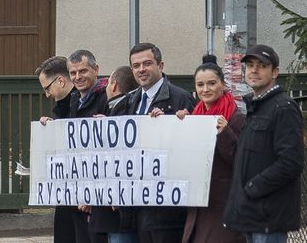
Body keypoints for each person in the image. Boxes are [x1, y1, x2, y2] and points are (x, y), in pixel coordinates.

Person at [224, 44, 304, 243]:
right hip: (252, 214)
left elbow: (291, 162)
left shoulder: (283, 108)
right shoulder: (257, 107)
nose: (254, 70)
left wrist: (253, 187)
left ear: (275, 72)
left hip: (268, 216)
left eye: (262, 65)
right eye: (250, 65)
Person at [126, 43, 195, 243]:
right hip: (140, 204)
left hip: (168, 209)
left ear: (160, 65)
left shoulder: (180, 98)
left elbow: (189, 146)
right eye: (136, 65)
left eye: (147, 63)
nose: (141, 70)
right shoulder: (131, 100)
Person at [176, 56, 246, 243]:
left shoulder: (235, 118)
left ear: (222, 85)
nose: (205, 89)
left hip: (223, 204)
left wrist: (225, 133)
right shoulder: (194, 116)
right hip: (198, 204)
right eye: (200, 85)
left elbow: (241, 161)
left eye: (211, 83)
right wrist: (178, 125)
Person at [87, 66, 139, 243]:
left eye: (108, 82)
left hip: (118, 215)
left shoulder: (120, 111)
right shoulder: (117, 110)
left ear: (114, 85)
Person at [67, 49, 108, 243]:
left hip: (97, 193)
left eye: (83, 71)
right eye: (73, 73)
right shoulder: (75, 98)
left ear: (95, 70)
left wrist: (91, 192)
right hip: (79, 188)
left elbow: (105, 152)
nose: (77, 77)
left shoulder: (105, 97)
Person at [36, 56, 77, 243]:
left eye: (47, 88)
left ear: (60, 80)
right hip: (66, 190)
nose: (47, 94)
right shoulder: (62, 107)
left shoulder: (79, 103)